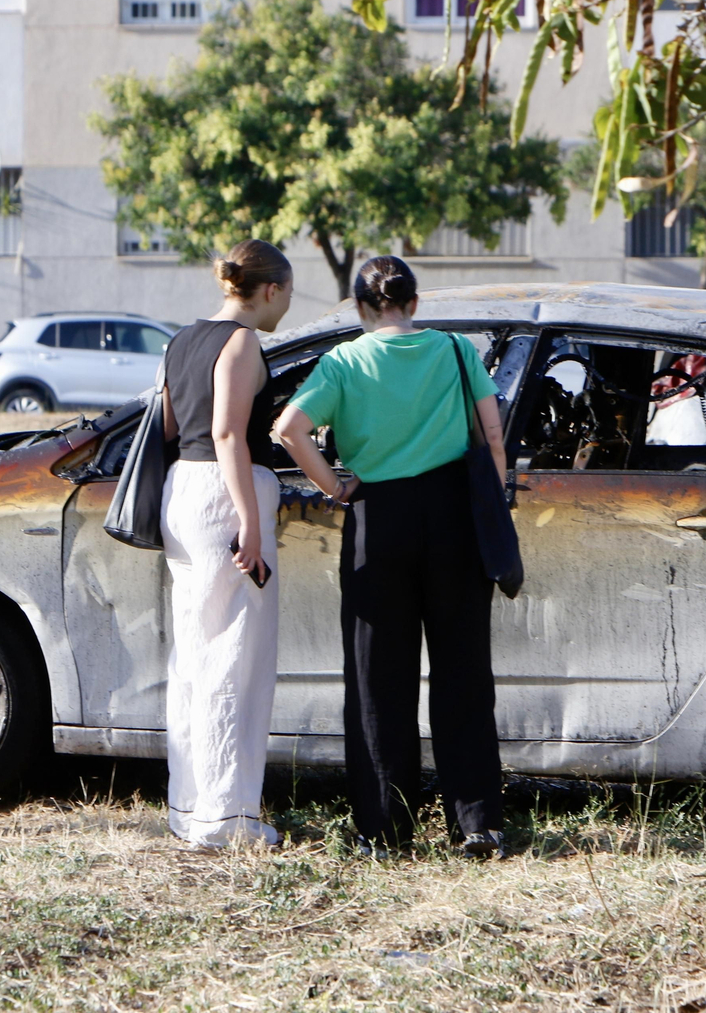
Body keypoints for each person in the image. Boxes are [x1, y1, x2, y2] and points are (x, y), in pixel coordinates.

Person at [275, 255, 508, 859]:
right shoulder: (456, 351)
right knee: (463, 670)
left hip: (378, 518)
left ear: (360, 307)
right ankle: (477, 824)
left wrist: (335, 486)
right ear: (414, 302)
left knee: (377, 676)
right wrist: (492, 501)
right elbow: (492, 434)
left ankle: (383, 830)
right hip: (456, 516)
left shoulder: (344, 361)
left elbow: (289, 429)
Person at [159, 239, 293, 849]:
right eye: (287, 294)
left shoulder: (182, 340)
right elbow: (227, 435)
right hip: (224, 498)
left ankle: (190, 807)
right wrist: (252, 523)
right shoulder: (241, 343)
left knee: (194, 656)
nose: (286, 307)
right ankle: (228, 819)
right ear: (270, 289)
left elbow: (171, 425)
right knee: (235, 658)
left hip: (183, 493)